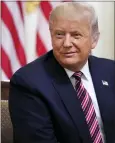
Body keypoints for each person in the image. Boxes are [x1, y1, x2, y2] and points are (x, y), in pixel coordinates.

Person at [9, 2, 115, 143]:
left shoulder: (110, 70)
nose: (66, 43)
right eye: (59, 35)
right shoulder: (29, 82)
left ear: (94, 39)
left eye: (76, 35)